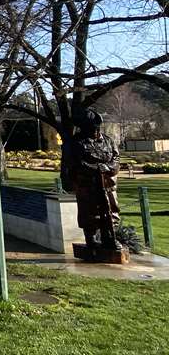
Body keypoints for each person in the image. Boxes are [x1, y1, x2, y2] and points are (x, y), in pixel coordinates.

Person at [64, 108, 122, 254]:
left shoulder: (108, 141)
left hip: (108, 184)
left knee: (112, 211)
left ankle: (110, 237)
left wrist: (107, 168)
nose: (92, 130)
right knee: (89, 212)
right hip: (87, 185)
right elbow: (74, 163)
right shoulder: (75, 142)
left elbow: (116, 159)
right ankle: (91, 239)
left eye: (94, 127)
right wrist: (96, 169)